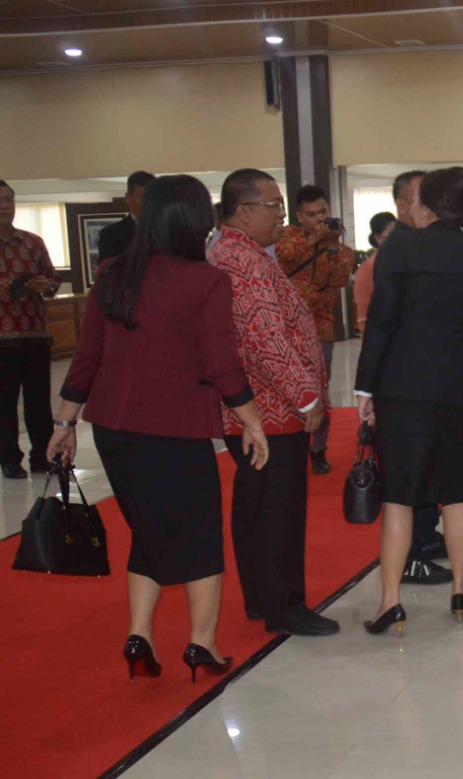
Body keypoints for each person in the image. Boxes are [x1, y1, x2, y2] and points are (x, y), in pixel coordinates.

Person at [48, 174, 269, 683]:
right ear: (196, 221)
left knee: (148, 530)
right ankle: (201, 644)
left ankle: (140, 633)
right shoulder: (206, 280)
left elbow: (86, 358)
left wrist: (64, 423)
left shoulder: (113, 273)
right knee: (199, 535)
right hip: (175, 430)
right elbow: (222, 363)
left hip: (114, 431)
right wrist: (252, 421)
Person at [356, 166, 463, 630]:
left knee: (399, 495)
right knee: (455, 493)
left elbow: (381, 321)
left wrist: (365, 386)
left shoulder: (401, 245)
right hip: (454, 386)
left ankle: (390, 600)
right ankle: (459, 591)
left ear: (427, 205)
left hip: (402, 386)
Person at [209, 168, 339, 638]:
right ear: (243, 210)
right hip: (270, 409)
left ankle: (263, 597)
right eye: (274, 206)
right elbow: (263, 336)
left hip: (262, 408)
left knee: (256, 507)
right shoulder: (238, 259)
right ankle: (285, 605)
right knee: (278, 512)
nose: (281, 216)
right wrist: (306, 398)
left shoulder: (241, 251)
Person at [387, 169, 452, 587]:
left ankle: (427, 538)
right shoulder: (399, 250)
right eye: (419, 199)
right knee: (409, 471)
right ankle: (411, 554)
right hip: (403, 382)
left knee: (433, 463)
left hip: (431, 379)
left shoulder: (427, 247)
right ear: (403, 205)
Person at [275, 185, 356, 476]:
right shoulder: (287, 236)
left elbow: (338, 280)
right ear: (299, 215)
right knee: (291, 388)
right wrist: (315, 238)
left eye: (323, 212)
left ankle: (318, 449)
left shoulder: (338, 245)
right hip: (287, 326)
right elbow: (287, 255)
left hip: (321, 327)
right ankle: (291, 444)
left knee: (319, 389)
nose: (319, 219)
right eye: (311, 215)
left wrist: (332, 245)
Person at [0, 181, 61, 479]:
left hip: (35, 335)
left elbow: (53, 281)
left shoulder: (32, 242)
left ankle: (42, 456)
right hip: (1, 341)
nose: (4, 206)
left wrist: (44, 285)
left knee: (39, 403)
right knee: (4, 404)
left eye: (8, 200)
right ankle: (9, 459)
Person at [353, 211, 397, 334]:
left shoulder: (401, 262)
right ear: (378, 238)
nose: (397, 238)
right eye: (391, 234)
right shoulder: (367, 269)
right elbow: (363, 316)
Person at [96, 171, 155, 262]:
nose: (147, 203)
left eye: (151, 198)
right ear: (128, 198)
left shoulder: (168, 230)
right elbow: (107, 272)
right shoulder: (110, 234)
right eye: (141, 198)